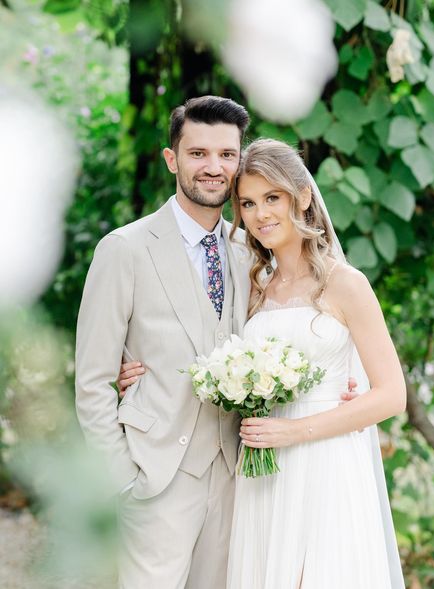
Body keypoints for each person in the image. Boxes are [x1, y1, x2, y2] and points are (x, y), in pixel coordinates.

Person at [75, 95, 252, 589]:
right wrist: (124, 479)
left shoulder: (246, 252)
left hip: (234, 476)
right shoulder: (124, 249)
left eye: (226, 154)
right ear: (172, 159)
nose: (213, 167)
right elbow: (91, 381)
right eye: (198, 153)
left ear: (239, 161)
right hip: (155, 478)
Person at [224, 138, 406, 588]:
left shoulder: (346, 284)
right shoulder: (254, 287)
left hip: (326, 461)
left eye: (272, 198)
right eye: (248, 203)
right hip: (265, 467)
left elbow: (391, 395)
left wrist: (294, 431)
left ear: (302, 197)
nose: (260, 214)